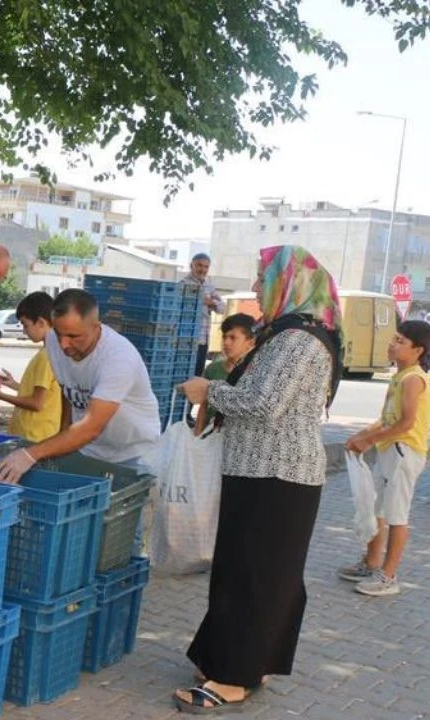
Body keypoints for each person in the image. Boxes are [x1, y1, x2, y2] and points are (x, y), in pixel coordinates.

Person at [174, 245, 343, 713]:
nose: (254, 288)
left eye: (262, 279)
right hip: (262, 475)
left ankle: (234, 677)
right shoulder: (288, 334)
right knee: (255, 574)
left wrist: (209, 389)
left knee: (256, 576)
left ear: (289, 283)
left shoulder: (299, 340)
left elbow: (264, 405)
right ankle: (242, 660)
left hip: (277, 477)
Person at [0, 289, 161, 482]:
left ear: (96, 328)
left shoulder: (118, 359)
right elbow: (67, 389)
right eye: (59, 333)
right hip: (88, 450)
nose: (64, 344)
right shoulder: (55, 343)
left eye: (74, 336)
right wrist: (64, 434)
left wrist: (31, 454)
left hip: (132, 453)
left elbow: (91, 427)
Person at [338, 320, 430, 597]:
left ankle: (388, 576)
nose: (393, 343)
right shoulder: (400, 376)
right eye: (394, 338)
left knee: (396, 515)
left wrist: (368, 440)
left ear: (418, 351)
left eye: (401, 341)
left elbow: (405, 423)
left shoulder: (414, 378)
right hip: (391, 450)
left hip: (404, 452)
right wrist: (361, 435)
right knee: (376, 509)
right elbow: (386, 418)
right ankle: (371, 562)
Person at [0, 291, 62, 442]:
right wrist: (14, 385)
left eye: (25, 325)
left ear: (42, 322)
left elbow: (37, 403)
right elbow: (44, 394)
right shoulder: (51, 351)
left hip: (34, 437)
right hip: (37, 434)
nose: (24, 331)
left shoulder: (47, 356)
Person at [192, 313, 257, 433]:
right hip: (209, 436)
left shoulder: (255, 374)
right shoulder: (212, 369)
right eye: (224, 337)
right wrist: (197, 434)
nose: (226, 342)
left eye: (233, 338)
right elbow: (203, 406)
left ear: (250, 342)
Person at [181, 253, 227, 377]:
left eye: (206, 267)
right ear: (192, 265)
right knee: (184, 375)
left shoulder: (209, 286)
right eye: (199, 265)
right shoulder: (183, 284)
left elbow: (223, 308)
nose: (202, 270)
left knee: (198, 374)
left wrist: (210, 302)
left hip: (203, 340)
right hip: (186, 340)